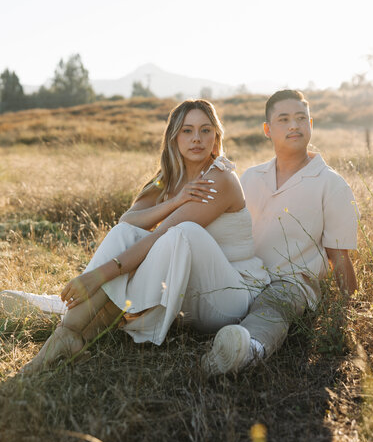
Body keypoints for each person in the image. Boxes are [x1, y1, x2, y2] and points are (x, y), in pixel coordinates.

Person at [10, 99, 268, 374]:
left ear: (216, 137)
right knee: (125, 234)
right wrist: (174, 200)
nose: (197, 139)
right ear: (173, 137)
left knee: (182, 233)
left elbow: (162, 235)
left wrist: (98, 275)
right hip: (186, 294)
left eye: (205, 130)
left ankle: (80, 324)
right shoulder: (168, 178)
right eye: (187, 131)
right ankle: (68, 335)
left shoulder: (220, 179)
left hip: (227, 297)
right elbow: (128, 221)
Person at [201, 89, 358, 375]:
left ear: (311, 124)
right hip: (246, 275)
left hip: (291, 282)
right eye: (284, 119)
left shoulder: (331, 183)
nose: (294, 125)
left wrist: (349, 312)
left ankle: (247, 351)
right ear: (267, 129)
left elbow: (340, 256)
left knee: (272, 307)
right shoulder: (250, 177)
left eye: (301, 118)